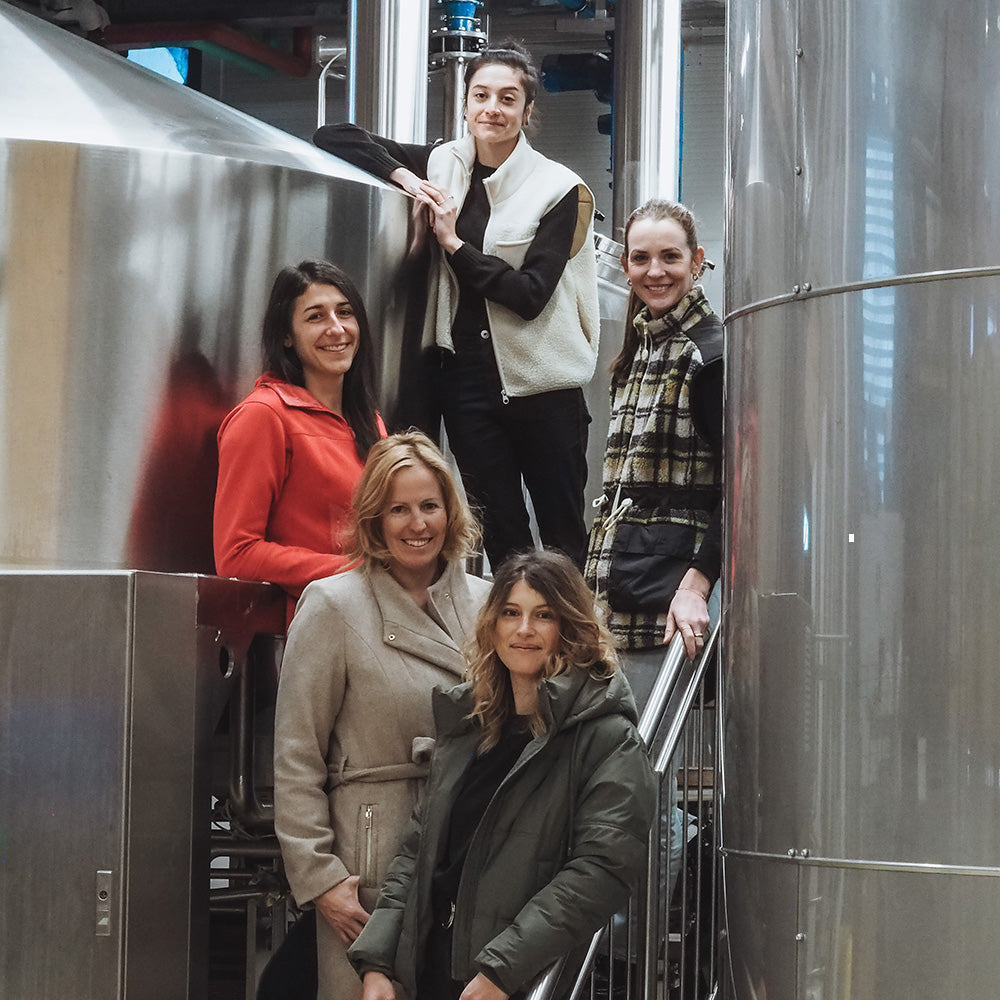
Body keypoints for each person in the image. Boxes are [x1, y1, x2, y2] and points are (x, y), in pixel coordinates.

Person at [313, 42, 600, 571]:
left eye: (507, 99)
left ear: (526, 112)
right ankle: (515, 650)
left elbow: (530, 295)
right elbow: (334, 136)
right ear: (465, 105)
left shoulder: (560, 189)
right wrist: (405, 176)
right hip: (466, 387)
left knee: (562, 538)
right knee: (502, 539)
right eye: (481, 95)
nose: (492, 108)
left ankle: (576, 651)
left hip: (544, 389)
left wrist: (455, 246)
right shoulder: (444, 164)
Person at [348, 548, 657, 1000]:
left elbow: (600, 871)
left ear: (569, 628)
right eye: (511, 613)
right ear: (493, 625)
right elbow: (418, 854)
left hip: (510, 982)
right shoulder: (471, 727)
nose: (525, 630)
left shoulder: (607, 737)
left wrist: (500, 971)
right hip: (437, 971)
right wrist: (376, 962)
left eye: (544, 615)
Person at [273, 431, 491, 1000]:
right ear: (374, 518)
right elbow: (296, 756)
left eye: (429, 506)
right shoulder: (332, 604)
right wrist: (321, 880)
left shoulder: (491, 604)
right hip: (368, 859)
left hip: (467, 848)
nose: (417, 524)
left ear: (450, 512)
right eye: (399, 509)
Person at [585, 199, 723, 675]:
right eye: (641, 258)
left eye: (671, 256)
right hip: (614, 601)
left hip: (672, 612)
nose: (655, 271)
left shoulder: (709, 356)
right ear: (624, 266)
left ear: (697, 261)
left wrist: (697, 585)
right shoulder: (635, 354)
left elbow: (747, 491)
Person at [213, 259, 385, 624]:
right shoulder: (264, 415)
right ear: (287, 336)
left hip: (378, 625)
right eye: (315, 317)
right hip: (310, 633)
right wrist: (357, 573)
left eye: (345, 312)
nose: (336, 328)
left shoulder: (372, 424)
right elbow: (236, 553)